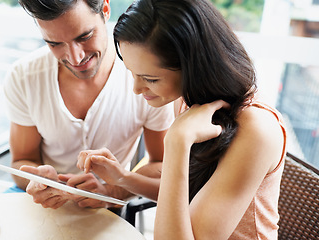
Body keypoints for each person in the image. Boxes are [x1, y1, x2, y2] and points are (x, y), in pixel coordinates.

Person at [78, 0, 287, 239]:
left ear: (195, 67)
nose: (136, 88)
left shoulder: (256, 130)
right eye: (131, 72)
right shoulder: (192, 100)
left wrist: (177, 141)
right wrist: (122, 179)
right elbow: (182, 197)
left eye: (150, 79)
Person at [3, 0, 174, 209]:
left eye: (84, 36)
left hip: (110, 207)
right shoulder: (24, 76)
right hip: (44, 206)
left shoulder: (146, 76)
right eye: (55, 44)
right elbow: (21, 161)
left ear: (105, 9)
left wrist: (111, 191)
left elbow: (162, 164)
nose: (76, 58)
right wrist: (39, 178)